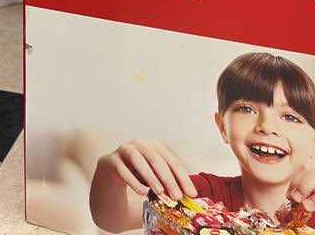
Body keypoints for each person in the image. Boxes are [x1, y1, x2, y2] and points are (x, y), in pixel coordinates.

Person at [89, 52, 315, 231]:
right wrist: (109, 175)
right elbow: (114, 221)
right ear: (222, 127)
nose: (267, 126)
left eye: (290, 117)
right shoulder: (202, 195)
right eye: (247, 109)